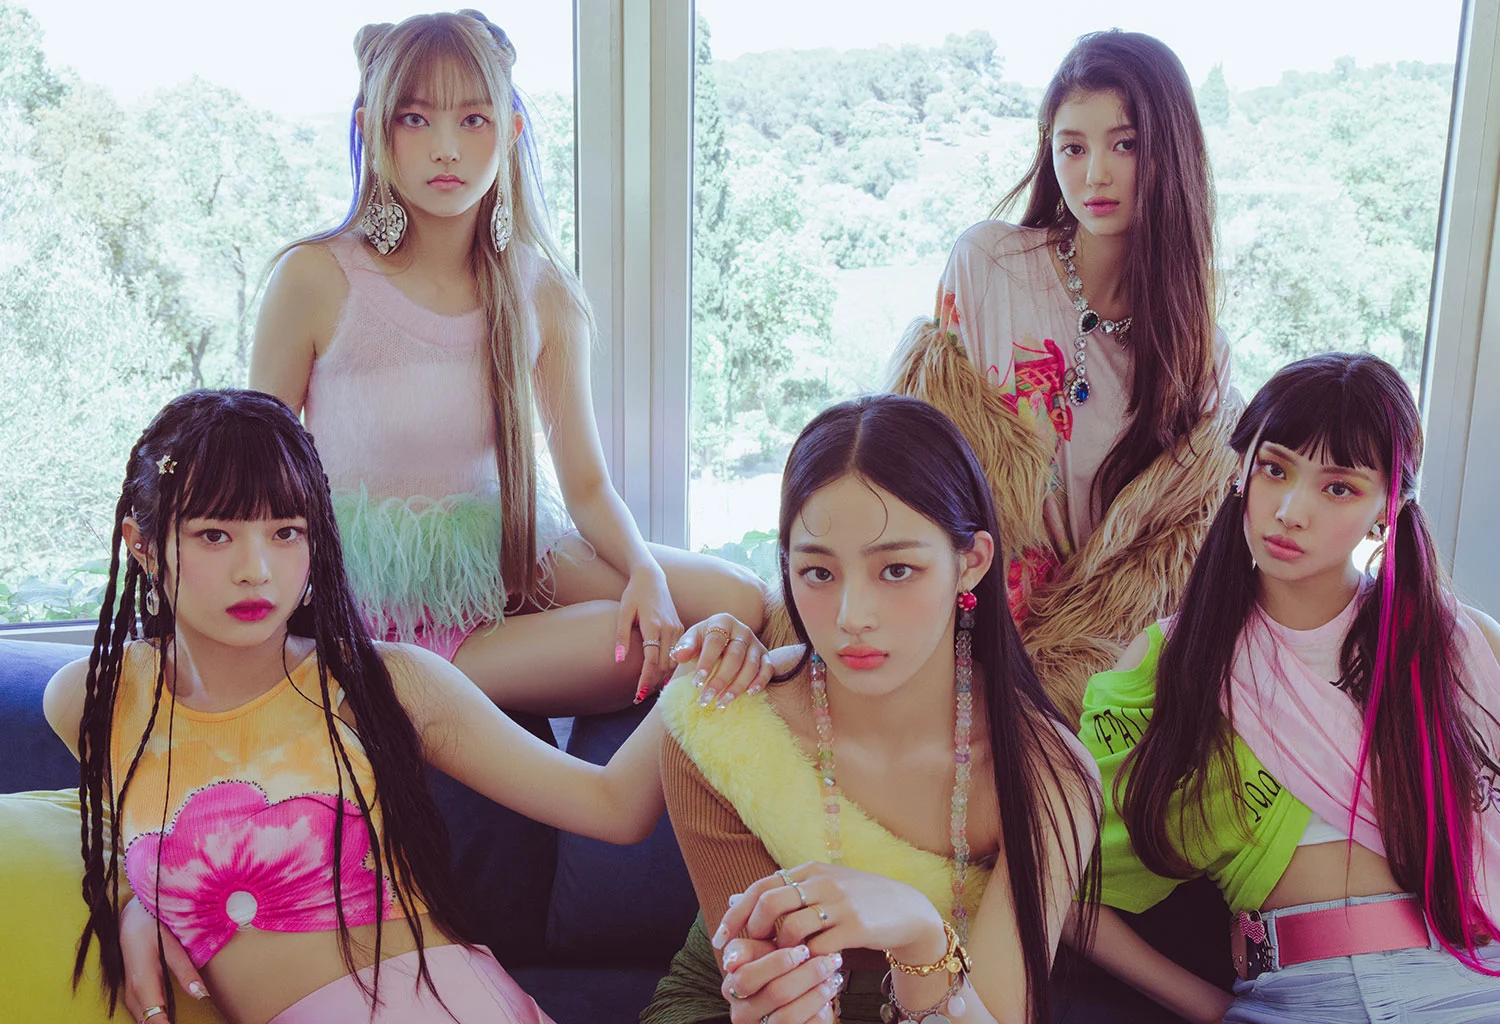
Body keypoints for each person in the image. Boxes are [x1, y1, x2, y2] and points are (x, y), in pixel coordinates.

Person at [42, 389, 677, 1024]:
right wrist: (134, 905)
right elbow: (132, 831)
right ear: (143, 546)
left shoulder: (382, 682)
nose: (255, 570)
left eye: (286, 532)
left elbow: (614, 807)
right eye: (214, 535)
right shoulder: (95, 701)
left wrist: (706, 667)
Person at [249, 10, 765, 713]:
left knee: (737, 598)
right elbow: (256, 470)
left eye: (473, 119)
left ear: (511, 130)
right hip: (378, 602)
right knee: (625, 646)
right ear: (371, 129)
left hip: (501, 556)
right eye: (414, 119)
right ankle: (403, 682)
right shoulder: (316, 276)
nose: (446, 149)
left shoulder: (541, 291)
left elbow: (587, 485)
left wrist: (644, 570)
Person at [1075, 353, 1500, 1022]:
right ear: (1241, 471)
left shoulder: (1459, 644)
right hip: (1300, 994)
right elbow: (1064, 884)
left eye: (1339, 488)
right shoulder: (1169, 663)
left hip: (1488, 976)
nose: (1291, 511)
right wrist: (1210, 1007)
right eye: (1275, 469)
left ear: (1389, 508)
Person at [640, 394, 1100, 1024]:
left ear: (971, 563)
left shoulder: (1047, 773)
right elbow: (767, 994)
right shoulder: (728, 724)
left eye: (898, 570)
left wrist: (918, 934)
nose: (852, 616)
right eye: (818, 573)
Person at [888, 29, 1237, 720]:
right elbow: (923, 455)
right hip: (954, 610)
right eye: (1073, 147)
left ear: (1171, 151)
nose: (1095, 174)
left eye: (1125, 144)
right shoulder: (990, 266)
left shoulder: (1199, 357)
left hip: (1084, 660)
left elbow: (1171, 554)